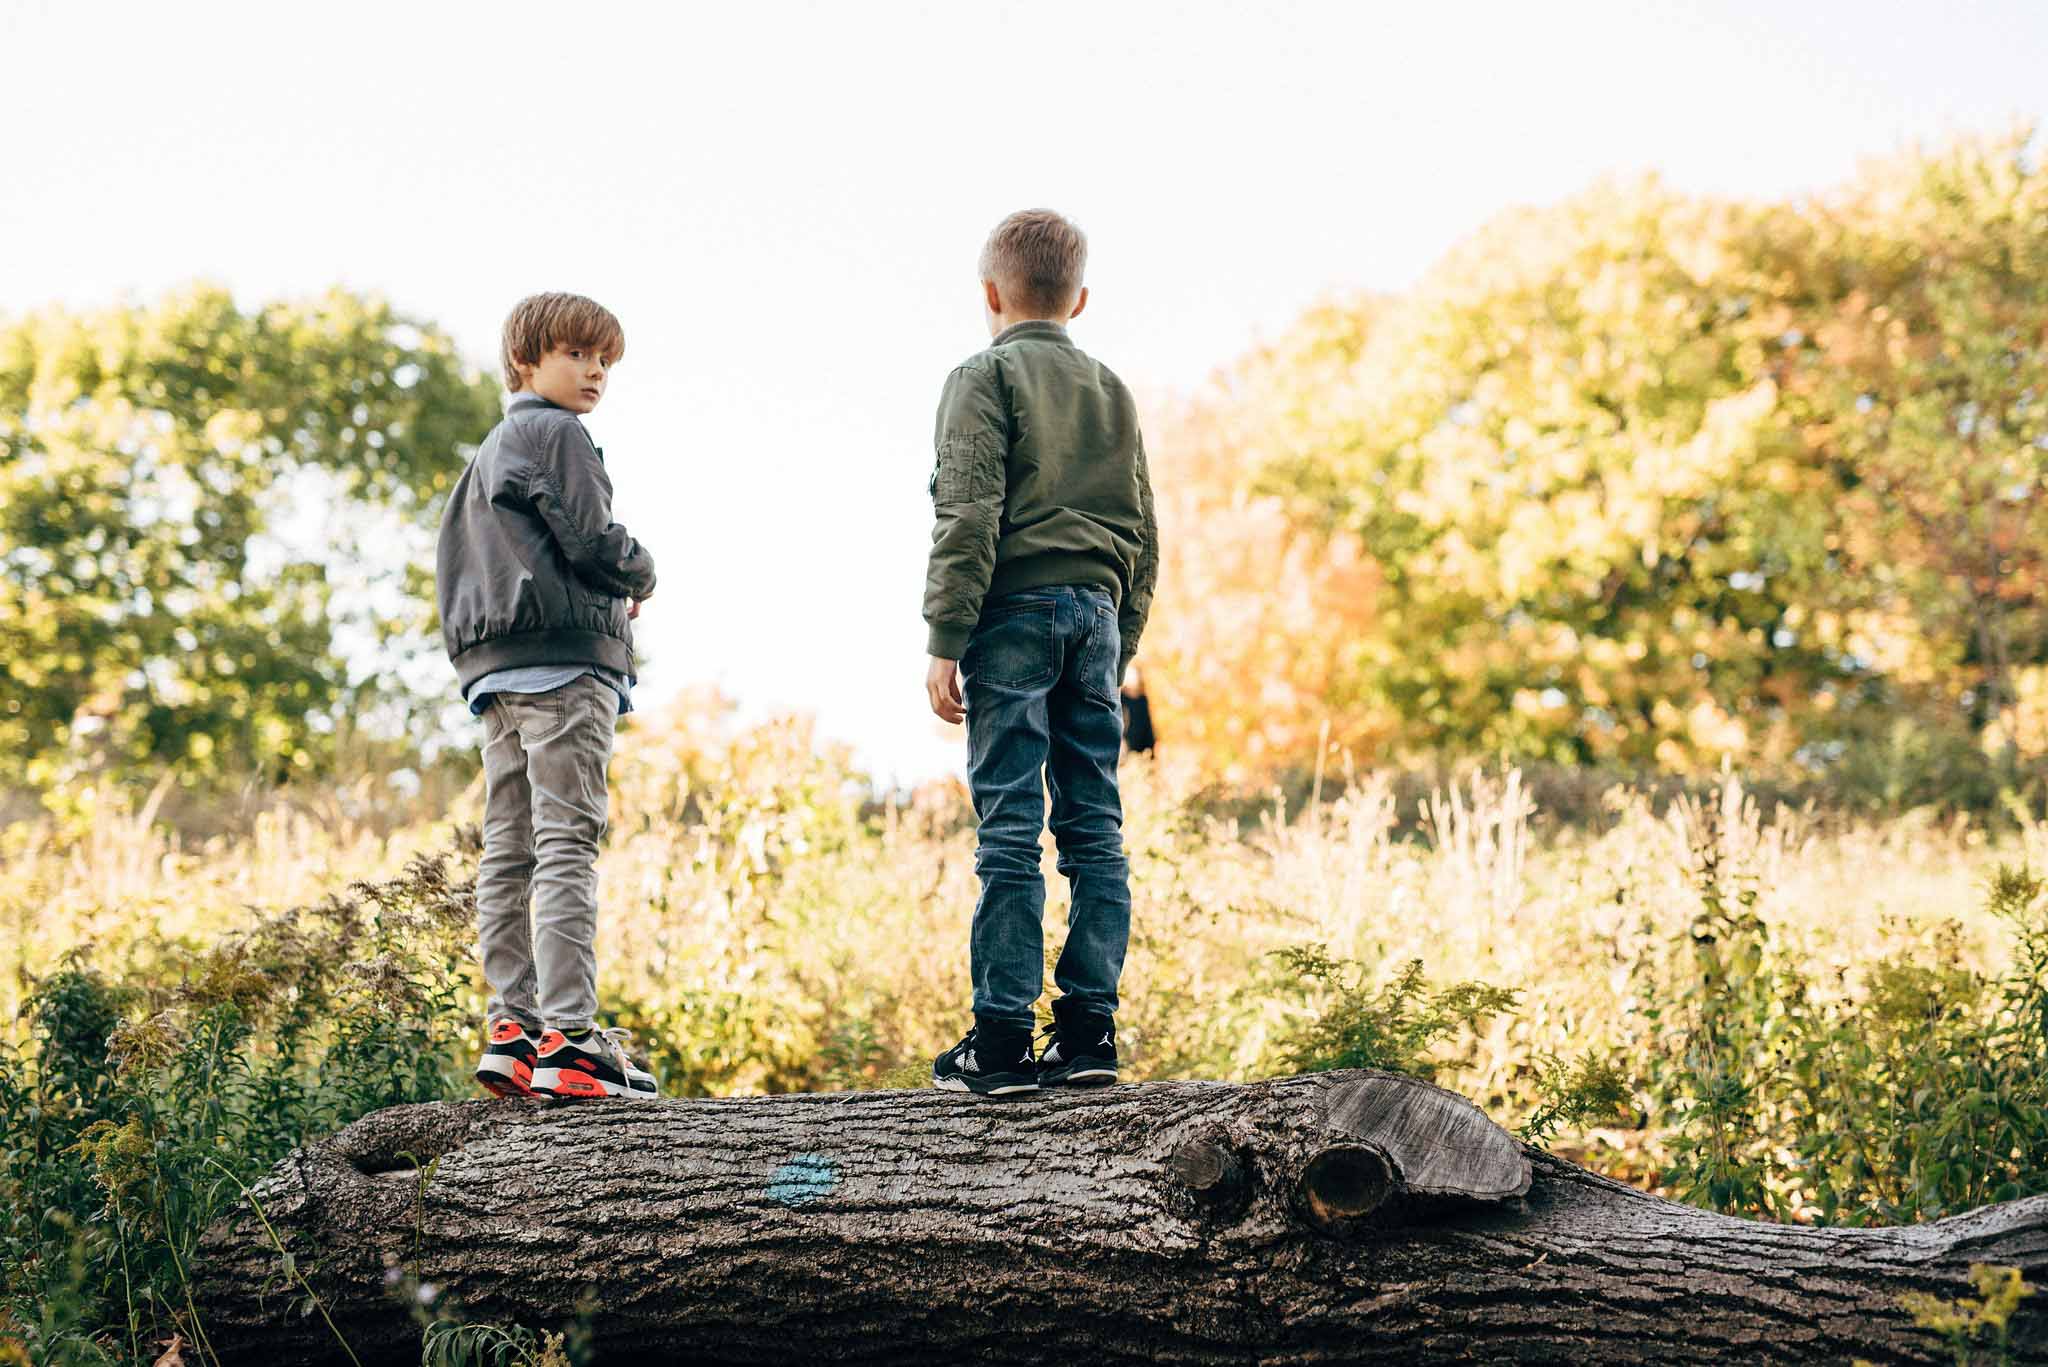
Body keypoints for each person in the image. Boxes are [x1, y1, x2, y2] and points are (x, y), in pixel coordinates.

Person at [922, 209, 1160, 1097]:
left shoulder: (981, 377)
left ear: (990, 293)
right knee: (1095, 827)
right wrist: (1117, 643)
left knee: (1011, 828)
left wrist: (946, 638)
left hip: (1011, 614)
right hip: (1097, 614)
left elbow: (970, 513)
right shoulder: (1111, 390)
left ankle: (1001, 1041)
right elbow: (1145, 532)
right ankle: (1090, 1033)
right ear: (1081, 299)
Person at [435, 292, 658, 1101]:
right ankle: (571, 1037)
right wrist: (641, 573)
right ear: (526, 361)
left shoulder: (486, 453)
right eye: (576, 354)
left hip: (495, 678)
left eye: (605, 360)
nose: (594, 371)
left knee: (510, 848)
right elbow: (593, 540)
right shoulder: (555, 433)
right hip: (565, 672)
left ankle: (513, 1031)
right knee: (567, 844)